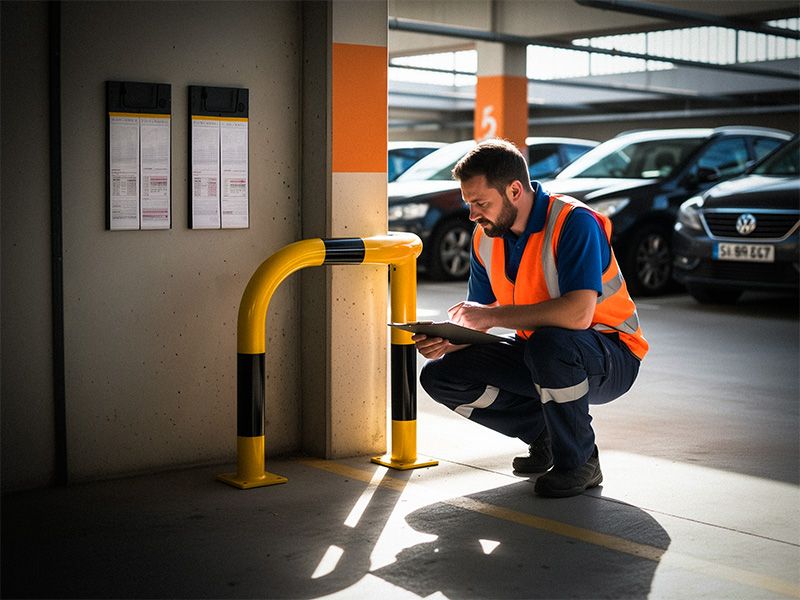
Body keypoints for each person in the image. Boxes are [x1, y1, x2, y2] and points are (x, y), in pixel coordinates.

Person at [414, 139, 648, 498]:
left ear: (514, 190)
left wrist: (489, 316)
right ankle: (547, 437)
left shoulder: (574, 222)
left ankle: (580, 461)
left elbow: (578, 313)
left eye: (481, 203)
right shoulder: (486, 237)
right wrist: (449, 340)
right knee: (442, 375)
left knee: (550, 346)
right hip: (541, 349)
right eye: (468, 203)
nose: (472, 215)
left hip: (612, 354)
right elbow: (480, 320)